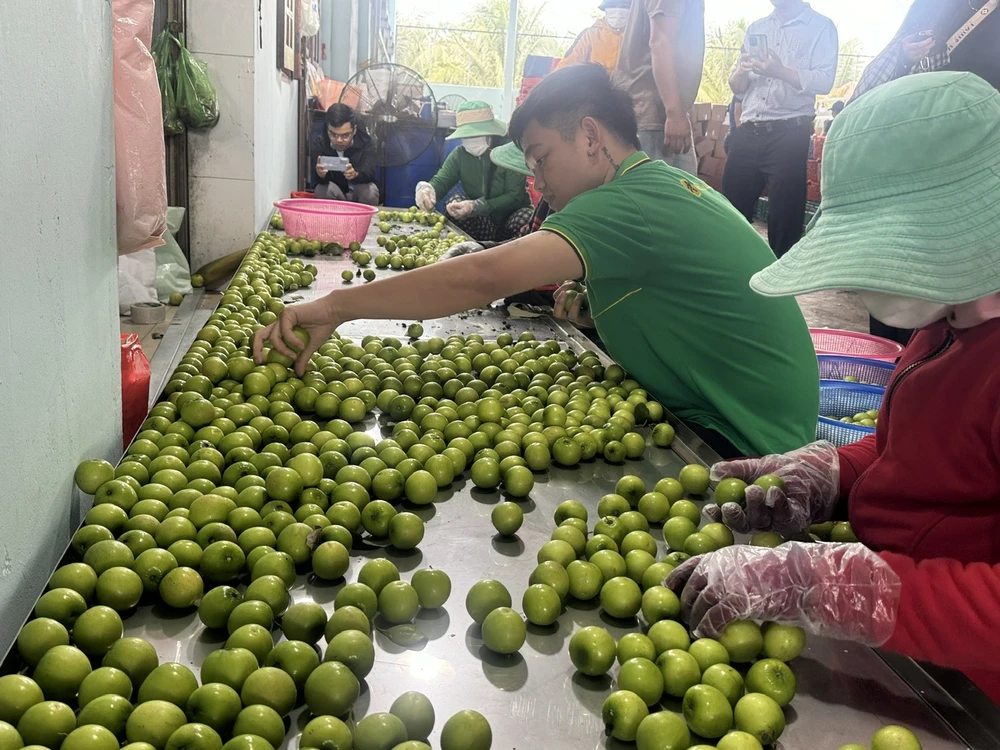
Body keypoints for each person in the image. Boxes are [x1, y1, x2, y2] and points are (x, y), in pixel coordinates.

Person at [253, 64, 820, 459]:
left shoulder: (625, 202)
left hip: (746, 441)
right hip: (761, 418)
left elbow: (484, 275)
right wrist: (600, 313)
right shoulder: (659, 186)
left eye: (542, 158)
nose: (540, 183)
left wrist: (336, 306)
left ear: (592, 136)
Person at [669, 72, 1000, 704]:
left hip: (971, 688)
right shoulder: (952, 319)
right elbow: (926, 454)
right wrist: (835, 476)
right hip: (907, 645)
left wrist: (830, 586)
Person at [849, 0, 997, 347]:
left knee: (964, 321)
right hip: (913, 177)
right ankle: (896, 378)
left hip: (979, 188)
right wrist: (905, 57)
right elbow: (867, 91)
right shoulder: (933, 7)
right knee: (898, 303)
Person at [722, 0, 838, 258]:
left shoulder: (821, 27)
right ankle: (728, 277)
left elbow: (824, 80)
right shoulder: (757, 27)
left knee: (785, 219)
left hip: (789, 133)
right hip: (749, 130)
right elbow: (737, 86)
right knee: (728, 212)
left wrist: (778, 70)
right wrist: (741, 71)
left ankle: (778, 291)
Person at [414, 101, 531, 243]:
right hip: (484, 224)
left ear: (490, 133)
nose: (471, 141)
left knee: (526, 217)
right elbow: (442, 180)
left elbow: (514, 196)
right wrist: (428, 190)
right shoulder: (460, 155)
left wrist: (477, 206)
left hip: (511, 220)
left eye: (477, 135)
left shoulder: (508, 153)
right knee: (455, 202)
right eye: (467, 136)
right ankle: (474, 251)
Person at [614, 0, 705, 172]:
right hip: (654, 115)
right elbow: (661, 43)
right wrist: (674, 113)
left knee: (682, 194)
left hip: (656, 114)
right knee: (662, 195)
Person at [851, 0, 998, 101]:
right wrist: (906, 55)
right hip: (925, 104)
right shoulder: (933, 5)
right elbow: (901, 46)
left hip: (984, 116)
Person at [311, 104, 378, 205]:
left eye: (345, 135)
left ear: (354, 130)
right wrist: (320, 175)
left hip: (358, 191)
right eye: (333, 134)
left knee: (370, 191)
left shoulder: (366, 143)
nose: (339, 140)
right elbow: (316, 180)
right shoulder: (320, 144)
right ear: (327, 128)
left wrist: (356, 174)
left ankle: (364, 220)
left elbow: (370, 173)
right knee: (321, 190)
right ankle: (330, 220)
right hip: (337, 193)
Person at [556, 0, 632, 71]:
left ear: (632, 10)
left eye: (623, 7)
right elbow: (568, 63)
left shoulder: (639, 37)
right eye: (613, 6)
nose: (618, 11)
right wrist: (552, 83)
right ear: (605, 10)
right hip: (594, 83)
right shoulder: (590, 34)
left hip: (627, 85)